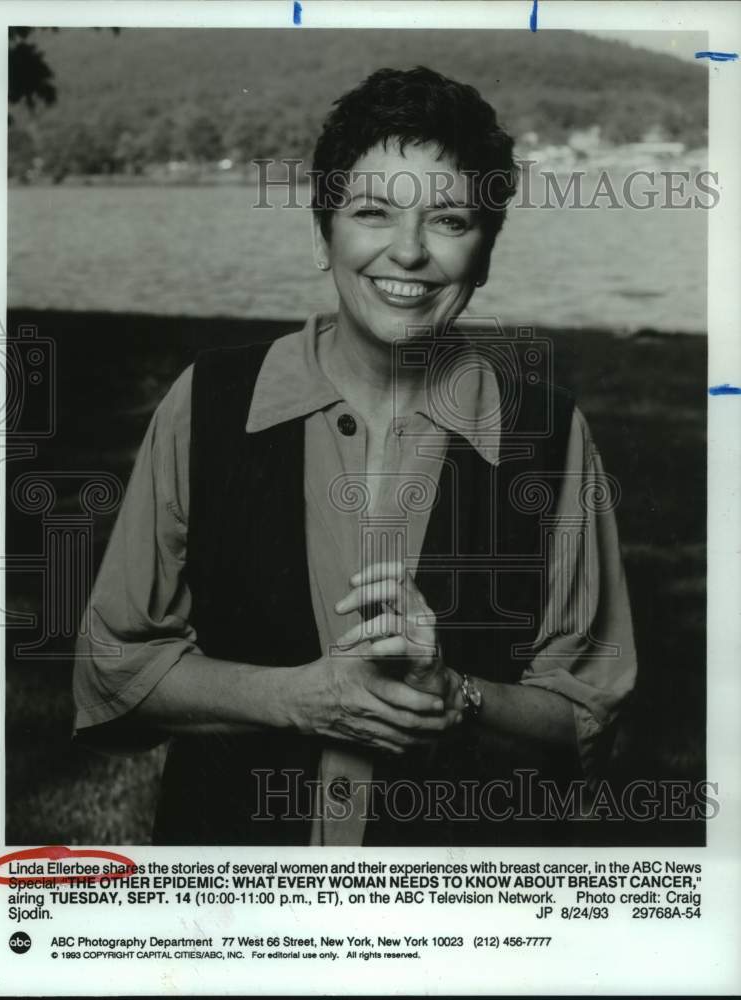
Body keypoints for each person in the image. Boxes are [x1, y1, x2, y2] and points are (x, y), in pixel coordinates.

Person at [73, 66, 636, 846]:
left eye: (449, 220)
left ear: (485, 252)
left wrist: (456, 695)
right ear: (320, 235)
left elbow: (585, 720)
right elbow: (113, 666)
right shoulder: (206, 403)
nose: (407, 252)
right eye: (372, 213)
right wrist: (297, 700)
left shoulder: (548, 434)